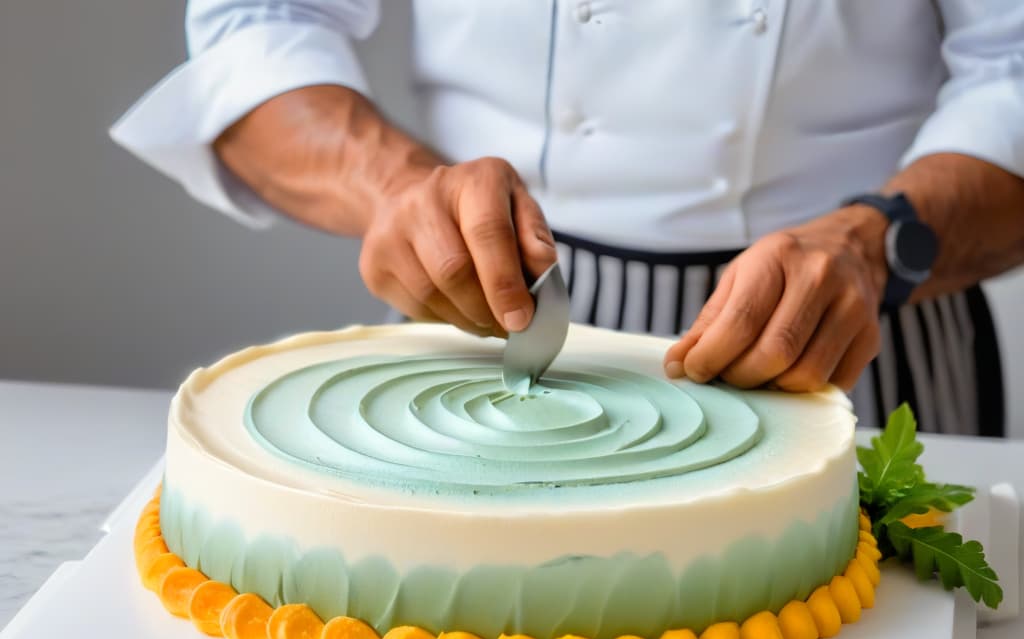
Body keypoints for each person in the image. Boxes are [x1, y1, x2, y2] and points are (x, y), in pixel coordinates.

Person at [112, 1, 1024, 436]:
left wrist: (871, 247)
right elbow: (258, 24)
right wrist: (396, 190)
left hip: (852, 322)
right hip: (486, 304)